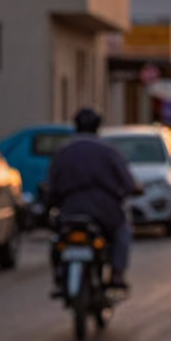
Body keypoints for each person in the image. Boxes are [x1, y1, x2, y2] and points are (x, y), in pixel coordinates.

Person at [45, 108, 137, 291]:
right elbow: (127, 183)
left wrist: (50, 205)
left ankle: (59, 275)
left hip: (70, 210)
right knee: (122, 232)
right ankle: (117, 274)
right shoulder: (109, 152)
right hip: (106, 211)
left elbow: (51, 185)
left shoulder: (62, 153)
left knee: (57, 239)